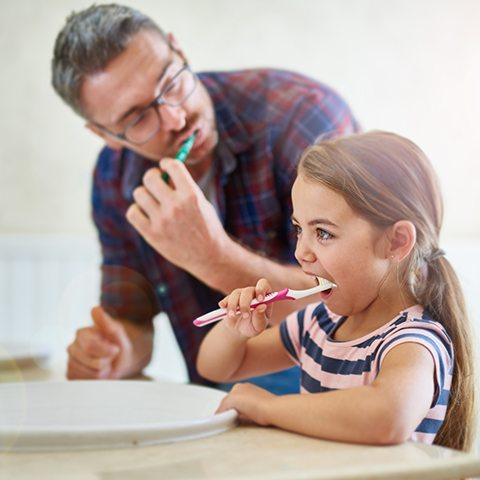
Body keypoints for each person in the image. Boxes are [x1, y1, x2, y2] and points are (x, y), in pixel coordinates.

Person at [51, 4, 358, 392]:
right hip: (218, 408)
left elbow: (354, 299)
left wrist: (212, 257)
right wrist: (116, 353)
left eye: (171, 82)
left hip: (341, 399)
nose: (176, 118)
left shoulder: (301, 116)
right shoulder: (114, 179)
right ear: (105, 135)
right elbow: (133, 323)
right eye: (137, 118)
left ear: (179, 51)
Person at [197, 131, 475, 450]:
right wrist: (235, 330)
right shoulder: (318, 323)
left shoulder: (413, 341)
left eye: (324, 233)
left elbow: (388, 416)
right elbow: (218, 367)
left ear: (396, 242)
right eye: (299, 229)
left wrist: (267, 407)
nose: (302, 252)